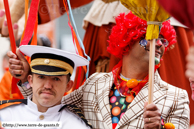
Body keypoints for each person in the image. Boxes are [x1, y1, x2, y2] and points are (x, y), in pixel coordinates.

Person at [8, 12, 190, 129]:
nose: (159, 44)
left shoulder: (177, 97)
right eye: (150, 37)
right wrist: (26, 77)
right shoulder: (95, 83)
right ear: (127, 40)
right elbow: (50, 103)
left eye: (163, 40)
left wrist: (160, 128)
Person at [0, 45, 91, 129]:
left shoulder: (76, 125)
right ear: (30, 80)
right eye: (41, 77)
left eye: (56, 79)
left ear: (68, 86)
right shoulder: (5, 116)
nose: (47, 86)